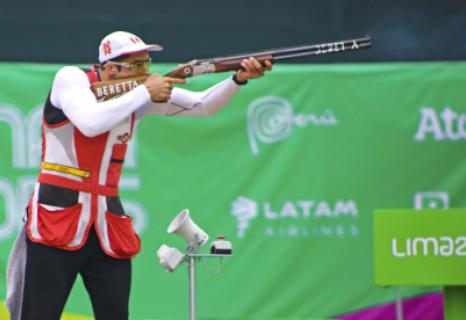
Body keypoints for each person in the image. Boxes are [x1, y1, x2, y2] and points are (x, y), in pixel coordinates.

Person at [5, 30, 272, 320]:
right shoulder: (71, 78)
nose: (147, 71)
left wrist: (237, 80)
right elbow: (90, 123)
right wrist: (144, 92)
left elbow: (202, 104)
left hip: (108, 227)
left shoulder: (138, 94)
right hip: (56, 220)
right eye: (137, 65)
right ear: (110, 68)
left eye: (147, 63)